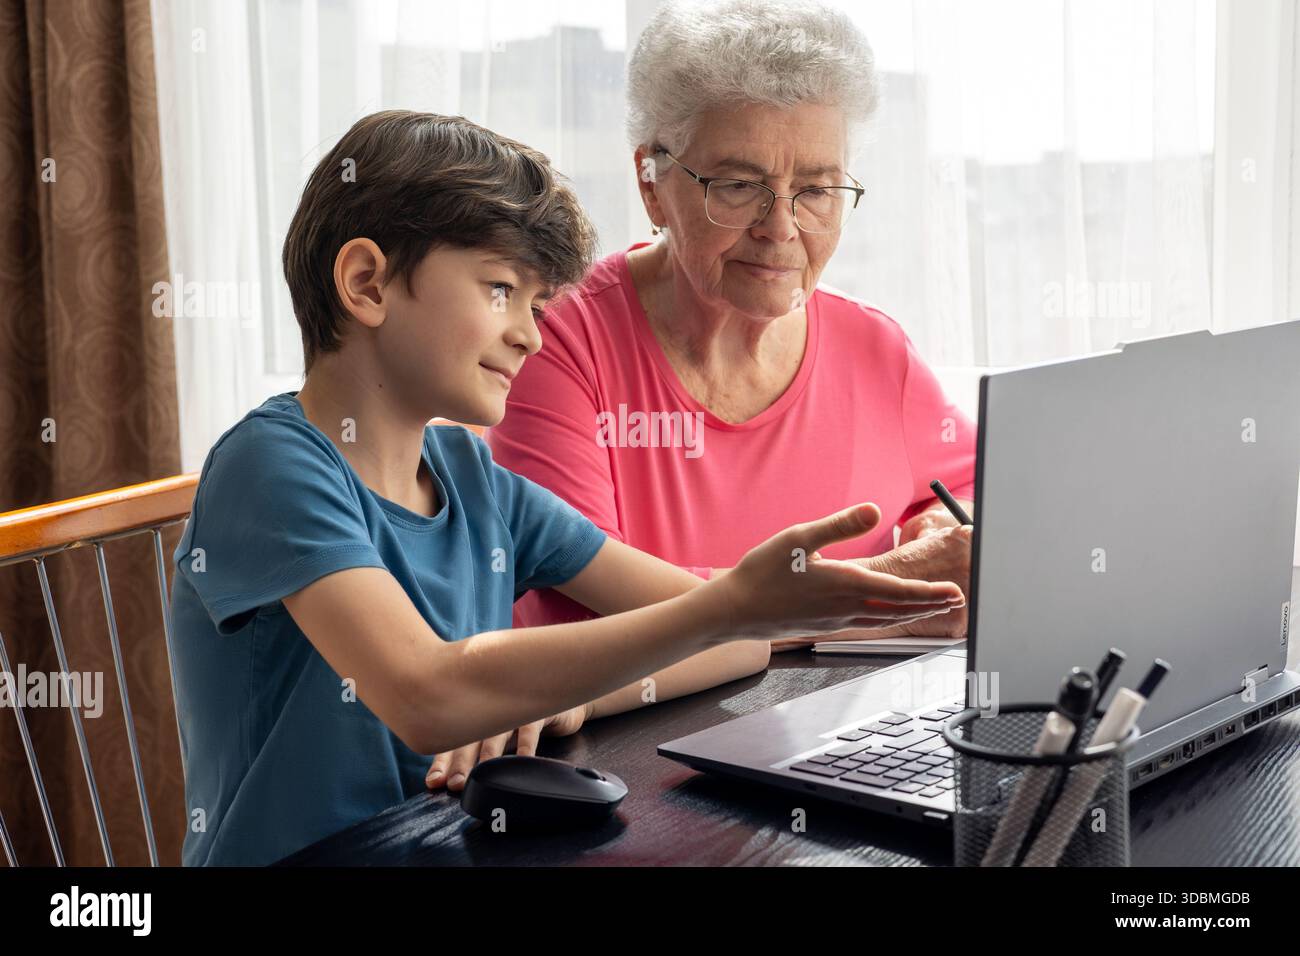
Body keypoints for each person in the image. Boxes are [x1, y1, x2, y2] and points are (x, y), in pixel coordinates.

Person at [167, 110, 965, 866]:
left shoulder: (475, 481)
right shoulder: (273, 466)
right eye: (500, 291)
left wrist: (737, 618)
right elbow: (425, 695)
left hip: (442, 847)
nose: (530, 333)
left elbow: (720, 638)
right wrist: (729, 609)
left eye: (541, 304)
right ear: (369, 283)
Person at [490, 0, 977, 659]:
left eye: (817, 189)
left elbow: (969, 494)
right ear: (653, 184)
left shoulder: (876, 349)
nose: (781, 228)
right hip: (621, 745)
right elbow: (591, 607)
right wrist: (891, 591)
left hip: (831, 737)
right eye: (739, 185)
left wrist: (938, 529)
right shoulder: (559, 341)